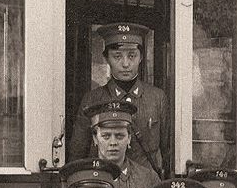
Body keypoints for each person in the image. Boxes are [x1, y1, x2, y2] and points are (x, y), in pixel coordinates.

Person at [72, 22, 168, 174]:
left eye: (132, 56)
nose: (125, 64)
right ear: (106, 58)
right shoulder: (92, 100)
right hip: (105, 186)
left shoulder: (157, 98)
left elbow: (167, 152)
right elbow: (78, 156)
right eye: (117, 56)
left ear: (141, 57)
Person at [84, 100, 160, 188]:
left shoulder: (148, 178)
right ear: (95, 138)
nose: (113, 142)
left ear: (129, 138)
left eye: (119, 136)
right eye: (106, 136)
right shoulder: (83, 177)